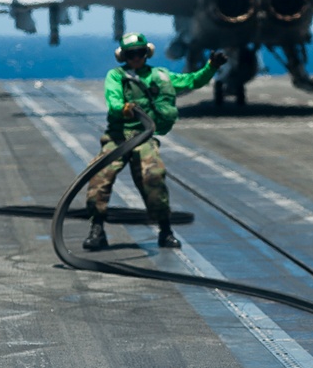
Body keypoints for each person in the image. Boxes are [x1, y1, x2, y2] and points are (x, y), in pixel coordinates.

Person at [83, 32, 227, 250]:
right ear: (123, 56)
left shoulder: (160, 76)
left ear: (146, 53)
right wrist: (123, 108)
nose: (136, 58)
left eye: (139, 53)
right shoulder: (116, 76)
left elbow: (191, 81)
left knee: (153, 177)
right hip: (118, 136)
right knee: (100, 177)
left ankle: (165, 230)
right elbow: (113, 101)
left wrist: (211, 67)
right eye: (131, 54)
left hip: (144, 137)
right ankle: (97, 229)